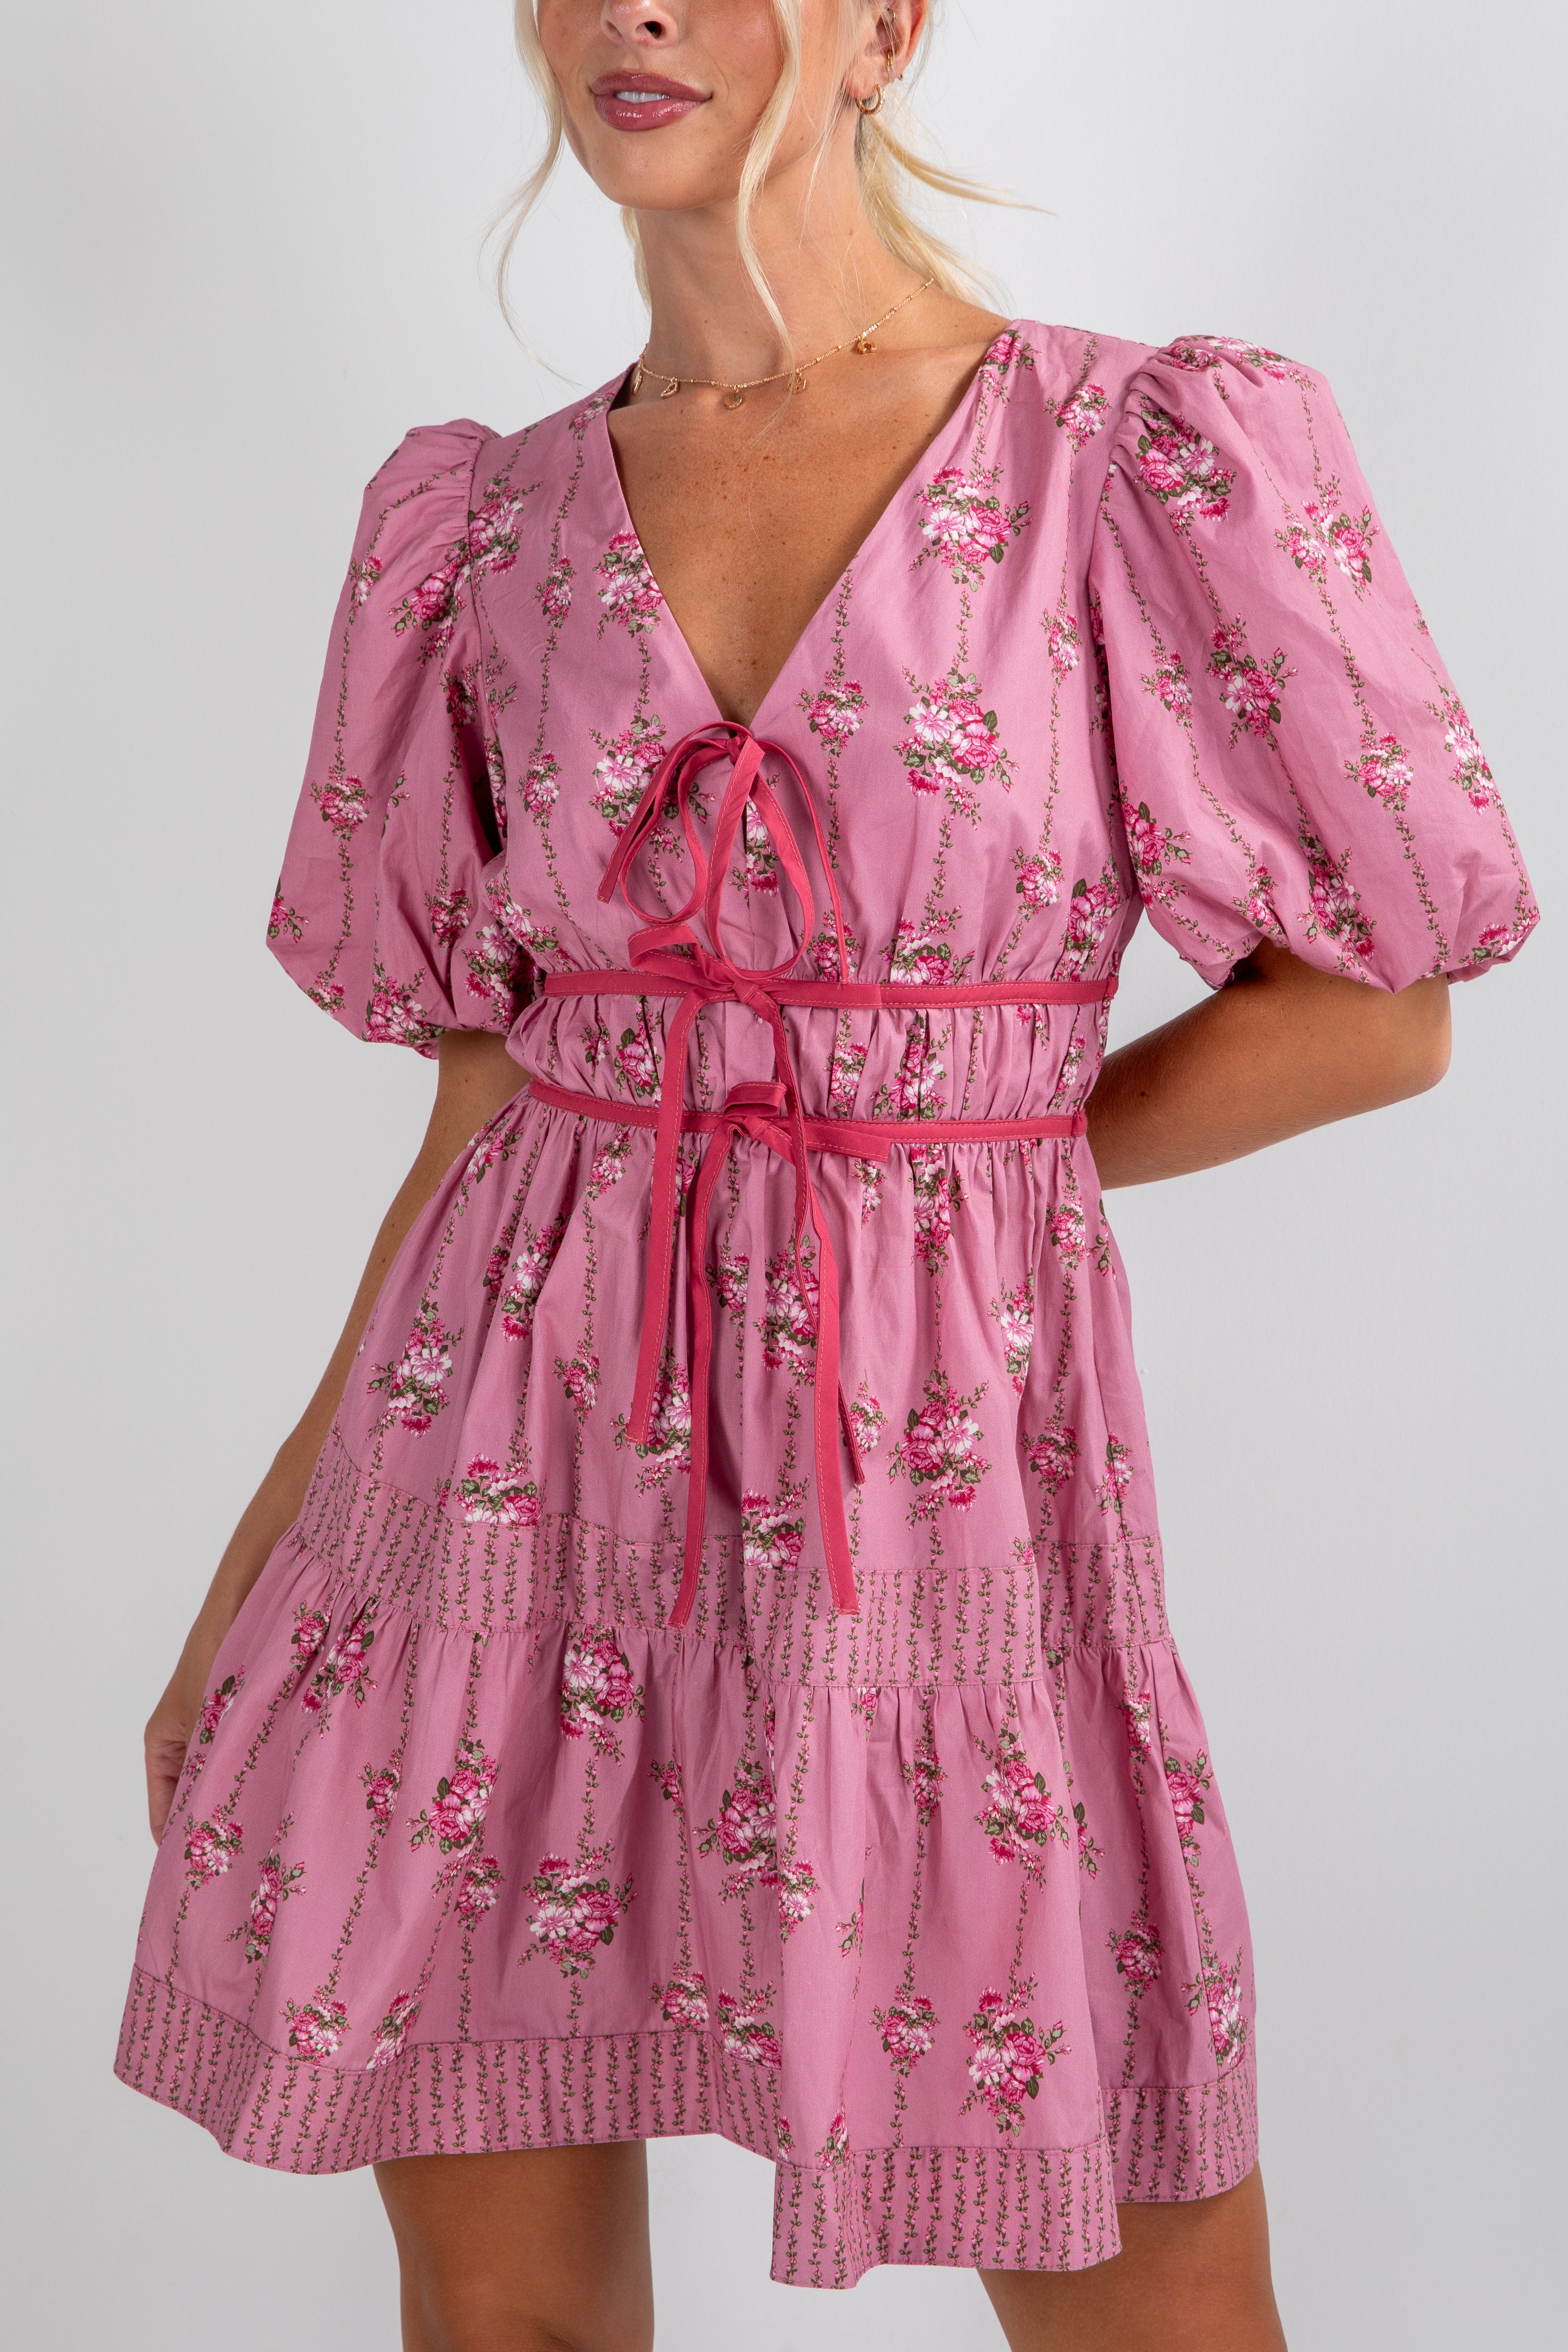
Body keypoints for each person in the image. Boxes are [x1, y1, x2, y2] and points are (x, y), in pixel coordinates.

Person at [116, 4, 1536, 2347]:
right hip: (490, 1500)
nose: (632, 14)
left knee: (1146, 2296)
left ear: (886, 21)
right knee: (510, 2324)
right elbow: (492, 1088)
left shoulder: (1131, 458)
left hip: (942, 1503)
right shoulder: (483, 527)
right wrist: (272, 1537)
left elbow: (1374, 1007)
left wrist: (935, 1159)